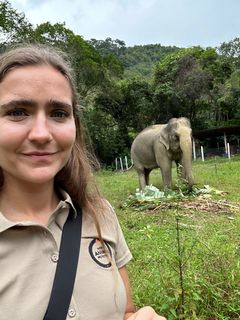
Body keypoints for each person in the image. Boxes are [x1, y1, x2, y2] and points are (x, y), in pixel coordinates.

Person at [0, 44, 166, 320]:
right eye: (17, 112)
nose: (41, 133)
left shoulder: (100, 214)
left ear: (75, 125)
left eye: (58, 113)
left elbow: (125, 310)